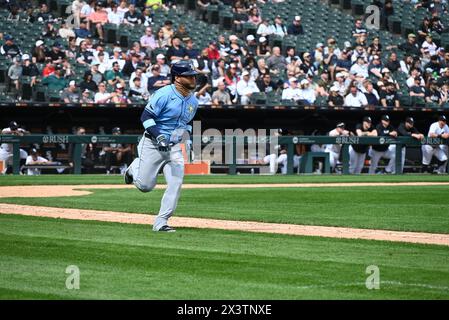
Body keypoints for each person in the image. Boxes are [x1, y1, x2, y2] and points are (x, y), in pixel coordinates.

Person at [124, 61, 199, 232]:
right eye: (189, 75)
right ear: (178, 78)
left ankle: (161, 222)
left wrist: (187, 142)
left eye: (194, 75)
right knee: (145, 186)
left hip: (173, 148)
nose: (193, 78)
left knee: (176, 183)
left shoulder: (193, 101)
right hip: (152, 143)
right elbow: (146, 117)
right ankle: (132, 169)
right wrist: (159, 136)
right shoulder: (163, 94)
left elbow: (185, 124)